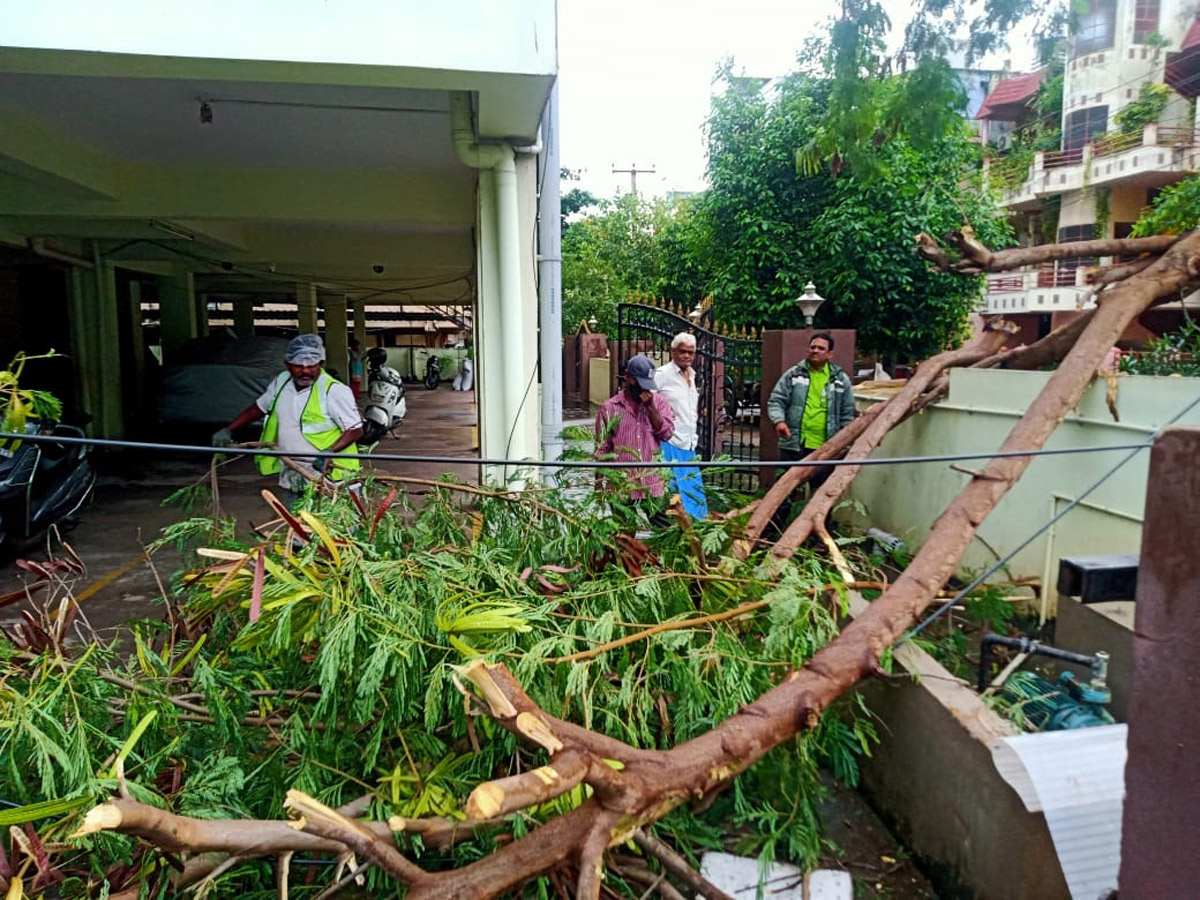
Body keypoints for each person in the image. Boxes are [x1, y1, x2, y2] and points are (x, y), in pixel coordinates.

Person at [213, 334, 364, 504]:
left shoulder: (333, 390)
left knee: (338, 527)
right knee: (297, 524)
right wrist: (229, 429)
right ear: (287, 365)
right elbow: (258, 408)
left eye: (311, 366)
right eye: (298, 366)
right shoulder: (281, 382)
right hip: (294, 472)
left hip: (333, 477)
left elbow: (355, 429)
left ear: (320, 364)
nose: (305, 371)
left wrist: (329, 453)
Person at [766, 331, 855, 526]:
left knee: (821, 495)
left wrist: (842, 444)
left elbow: (848, 415)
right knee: (783, 494)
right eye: (812, 347)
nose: (815, 351)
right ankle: (769, 535)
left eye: (820, 348)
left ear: (830, 354)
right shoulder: (793, 375)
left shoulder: (841, 380)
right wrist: (779, 421)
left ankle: (818, 539)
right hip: (794, 444)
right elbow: (776, 401)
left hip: (825, 448)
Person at [595, 355, 675, 502]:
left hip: (652, 484)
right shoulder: (610, 408)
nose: (645, 389)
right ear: (628, 377)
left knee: (663, 524)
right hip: (622, 486)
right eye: (640, 383)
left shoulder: (659, 402)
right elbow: (602, 448)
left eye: (648, 385)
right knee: (622, 525)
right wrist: (598, 484)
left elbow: (667, 434)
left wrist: (650, 407)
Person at [654, 332, 708, 518]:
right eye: (682, 351)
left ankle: (693, 538)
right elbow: (646, 404)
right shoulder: (661, 375)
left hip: (689, 445)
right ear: (672, 351)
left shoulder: (692, 376)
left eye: (691, 353)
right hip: (669, 443)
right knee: (670, 497)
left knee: (694, 497)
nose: (687, 356)